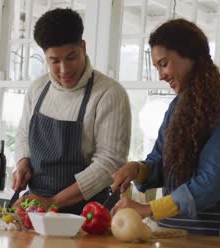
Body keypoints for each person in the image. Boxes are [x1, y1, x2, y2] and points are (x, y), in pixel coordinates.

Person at [111, 19, 220, 239]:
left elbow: (209, 185)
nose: (161, 75)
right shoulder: (176, 107)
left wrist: (149, 209)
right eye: (156, 67)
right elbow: (159, 162)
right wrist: (137, 168)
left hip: (214, 237)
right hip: (171, 233)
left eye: (164, 63)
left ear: (190, 56)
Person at [13, 8, 131, 214]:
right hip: (36, 207)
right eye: (55, 61)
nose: (64, 70)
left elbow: (109, 163)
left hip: (88, 212)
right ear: (45, 57)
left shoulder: (109, 93)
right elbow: (24, 134)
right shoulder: (37, 89)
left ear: (83, 47)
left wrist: (54, 202)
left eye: (71, 57)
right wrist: (23, 161)